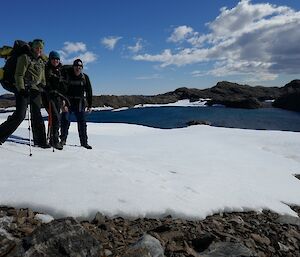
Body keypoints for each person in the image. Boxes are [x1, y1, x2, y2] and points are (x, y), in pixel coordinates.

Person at [0, 39, 50, 148]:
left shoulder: (41, 61)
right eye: (37, 48)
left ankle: (41, 141)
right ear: (33, 47)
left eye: (41, 48)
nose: (39, 50)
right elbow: (19, 75)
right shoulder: (25, 57)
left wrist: (43, 85)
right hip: (23, 88)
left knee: (37, 115)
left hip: (35, 89)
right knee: (20, 115)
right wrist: (21, 89)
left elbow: (42, 77)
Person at [60, 59, 93, 149]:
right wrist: (63, 102)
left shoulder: (85, 78)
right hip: (68, 102)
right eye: (76, 66)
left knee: (82, 123)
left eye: (80, 67)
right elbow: (62, 90)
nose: (78, 68)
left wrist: (89, 105)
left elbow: (89, 92)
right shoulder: (68, 76)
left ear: (82, 68)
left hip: (80, 103)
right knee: (65, 120)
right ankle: (62, 140)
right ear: (73, 67)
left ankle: (84, 142)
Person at [43, 51, 65, 150]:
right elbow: (44, 82)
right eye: (54, 59)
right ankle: (54, 140)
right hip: (48, 97)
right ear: (50, 59)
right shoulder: (46, 69)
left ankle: (52, 137)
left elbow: (63, 86)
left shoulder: (60, 70)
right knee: (55, 117)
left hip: (57, 98)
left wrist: (63, 98)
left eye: (57, 59)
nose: (56, 61)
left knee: (56, 117)